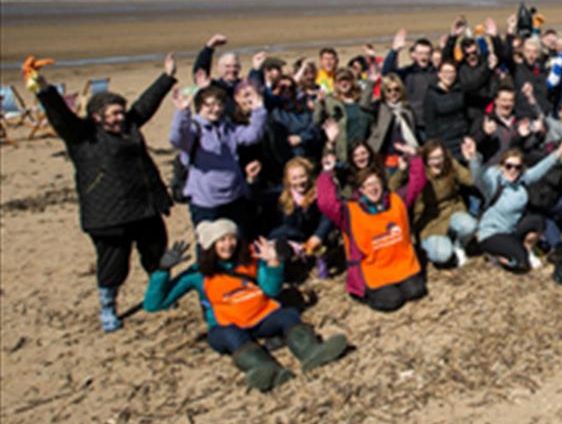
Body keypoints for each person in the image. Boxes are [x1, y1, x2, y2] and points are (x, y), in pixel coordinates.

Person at [29, 53, 177, 333]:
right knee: (114, 263)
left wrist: (167, 77)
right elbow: (60, 116)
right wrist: (44, 89)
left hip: (145, 205)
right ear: (97, 117)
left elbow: (144, 106)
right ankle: (108, 307)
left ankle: (159, 295)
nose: (120, 117)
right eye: (114, 114)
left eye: (121, 112)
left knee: (156, 252)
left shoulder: (129, 127)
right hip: (109, 214)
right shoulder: (83, 136)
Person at [143, 221, 347, 392]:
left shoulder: (250, 259)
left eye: (231, 238)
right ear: (210, 245)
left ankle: (311, 352)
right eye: (221, 240)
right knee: (233, 336)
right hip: (227, 326)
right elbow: (154, 304)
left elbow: (271, 290)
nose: (228, 244)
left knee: (288, 316)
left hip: (260, 317)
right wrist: (162, 271)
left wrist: (273, 264)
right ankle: (265, 370)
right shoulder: (199, 274)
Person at [317, 157, 428, 311]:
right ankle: (364, 294)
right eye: (367, 185)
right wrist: (327, 173)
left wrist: (414, 158)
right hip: (372, 271)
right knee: (392, 301)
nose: (373, 188)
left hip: (401, 264)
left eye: (375, 183)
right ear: (360, 190)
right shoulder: (349, 211)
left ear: (382, 184)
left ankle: (398, 285)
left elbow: (417, 184)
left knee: (416, 291)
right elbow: (325, 203)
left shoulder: (396, 200)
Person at [171, 81, 267, 237]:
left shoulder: (228, 127)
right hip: (206, 202)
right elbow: (176, 138)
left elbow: (252, 136)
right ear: (200, 107)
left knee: (236, 239)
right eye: (209, 105)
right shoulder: (194, 129)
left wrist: (258, 110)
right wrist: (182, 113)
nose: (215, 109)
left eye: (219, 104)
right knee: (209, 244)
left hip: (234, 197)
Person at [471, 140, 562, 272]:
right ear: (502, 166)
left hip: (511, 230)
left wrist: (558, 154)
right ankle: (495, 256)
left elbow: (538, 170)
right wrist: (474, 159)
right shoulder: (493, 184)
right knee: (520, 263)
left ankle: (527, 250)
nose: (513, 170)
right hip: (492, 233)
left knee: (538, 221)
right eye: (509, 166)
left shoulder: (521, 181)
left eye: (517, 167)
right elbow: (479, 179)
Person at [267, 158, 335, 279]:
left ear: (309, 176)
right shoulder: (283, 195)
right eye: (294, 178)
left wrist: (319, 235)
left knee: (326, 235)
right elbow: (257, 196)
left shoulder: (318, 192)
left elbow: (328, 216)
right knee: (280, 246)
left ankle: (321, 260)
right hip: (291, 236)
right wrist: (253, 181)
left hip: (313, 235)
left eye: (302, 176)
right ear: (288, 181)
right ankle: (287, 270)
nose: (300, 182)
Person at [416, 139, 478, 266]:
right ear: (425, 159)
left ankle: (457, 244)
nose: (437, 162)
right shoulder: (419, 174)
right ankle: (433, 245)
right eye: (432, 158)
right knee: (442, 255)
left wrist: (472, 159)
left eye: (440, 157)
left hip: (453, 211)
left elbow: (471, 180)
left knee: (470, 226)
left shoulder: (451, 165)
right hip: (431, 222)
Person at [312, 68, 373, 163]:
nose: (343, 83)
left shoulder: (361, 99)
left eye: (346, 80)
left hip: (363, 153)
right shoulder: (329, 101)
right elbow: (317, 121)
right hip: (342, 153)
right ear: (335, 84)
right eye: (340, 81)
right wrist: (319, 103)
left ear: (352, 81)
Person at [382, 32, 437, 138]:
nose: (423, 57)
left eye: (426, 53)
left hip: (433, 125)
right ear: (414, 54)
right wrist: (394, 51)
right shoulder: (407, 73)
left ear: (431, 55)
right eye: (420, 53)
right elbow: (387, 73)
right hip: (412, 124)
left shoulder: (437, 73)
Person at [367, 73, 419, 173]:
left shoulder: (407, 110)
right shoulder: (379, 107)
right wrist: (371, 83)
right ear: (384, 91)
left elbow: (413, 131)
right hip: (386, 157)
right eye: (389, 90)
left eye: (396, 89)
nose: (393, 93)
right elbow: (364, 105)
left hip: (405, 155)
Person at [423, 62, 468, 156]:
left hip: (461, 140)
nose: (449, 75)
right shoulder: (431, 95)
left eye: (452, 72)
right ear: (439, 74)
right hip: (444, 142)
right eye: (446, 72)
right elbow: (430, 123)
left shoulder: (460, 91)